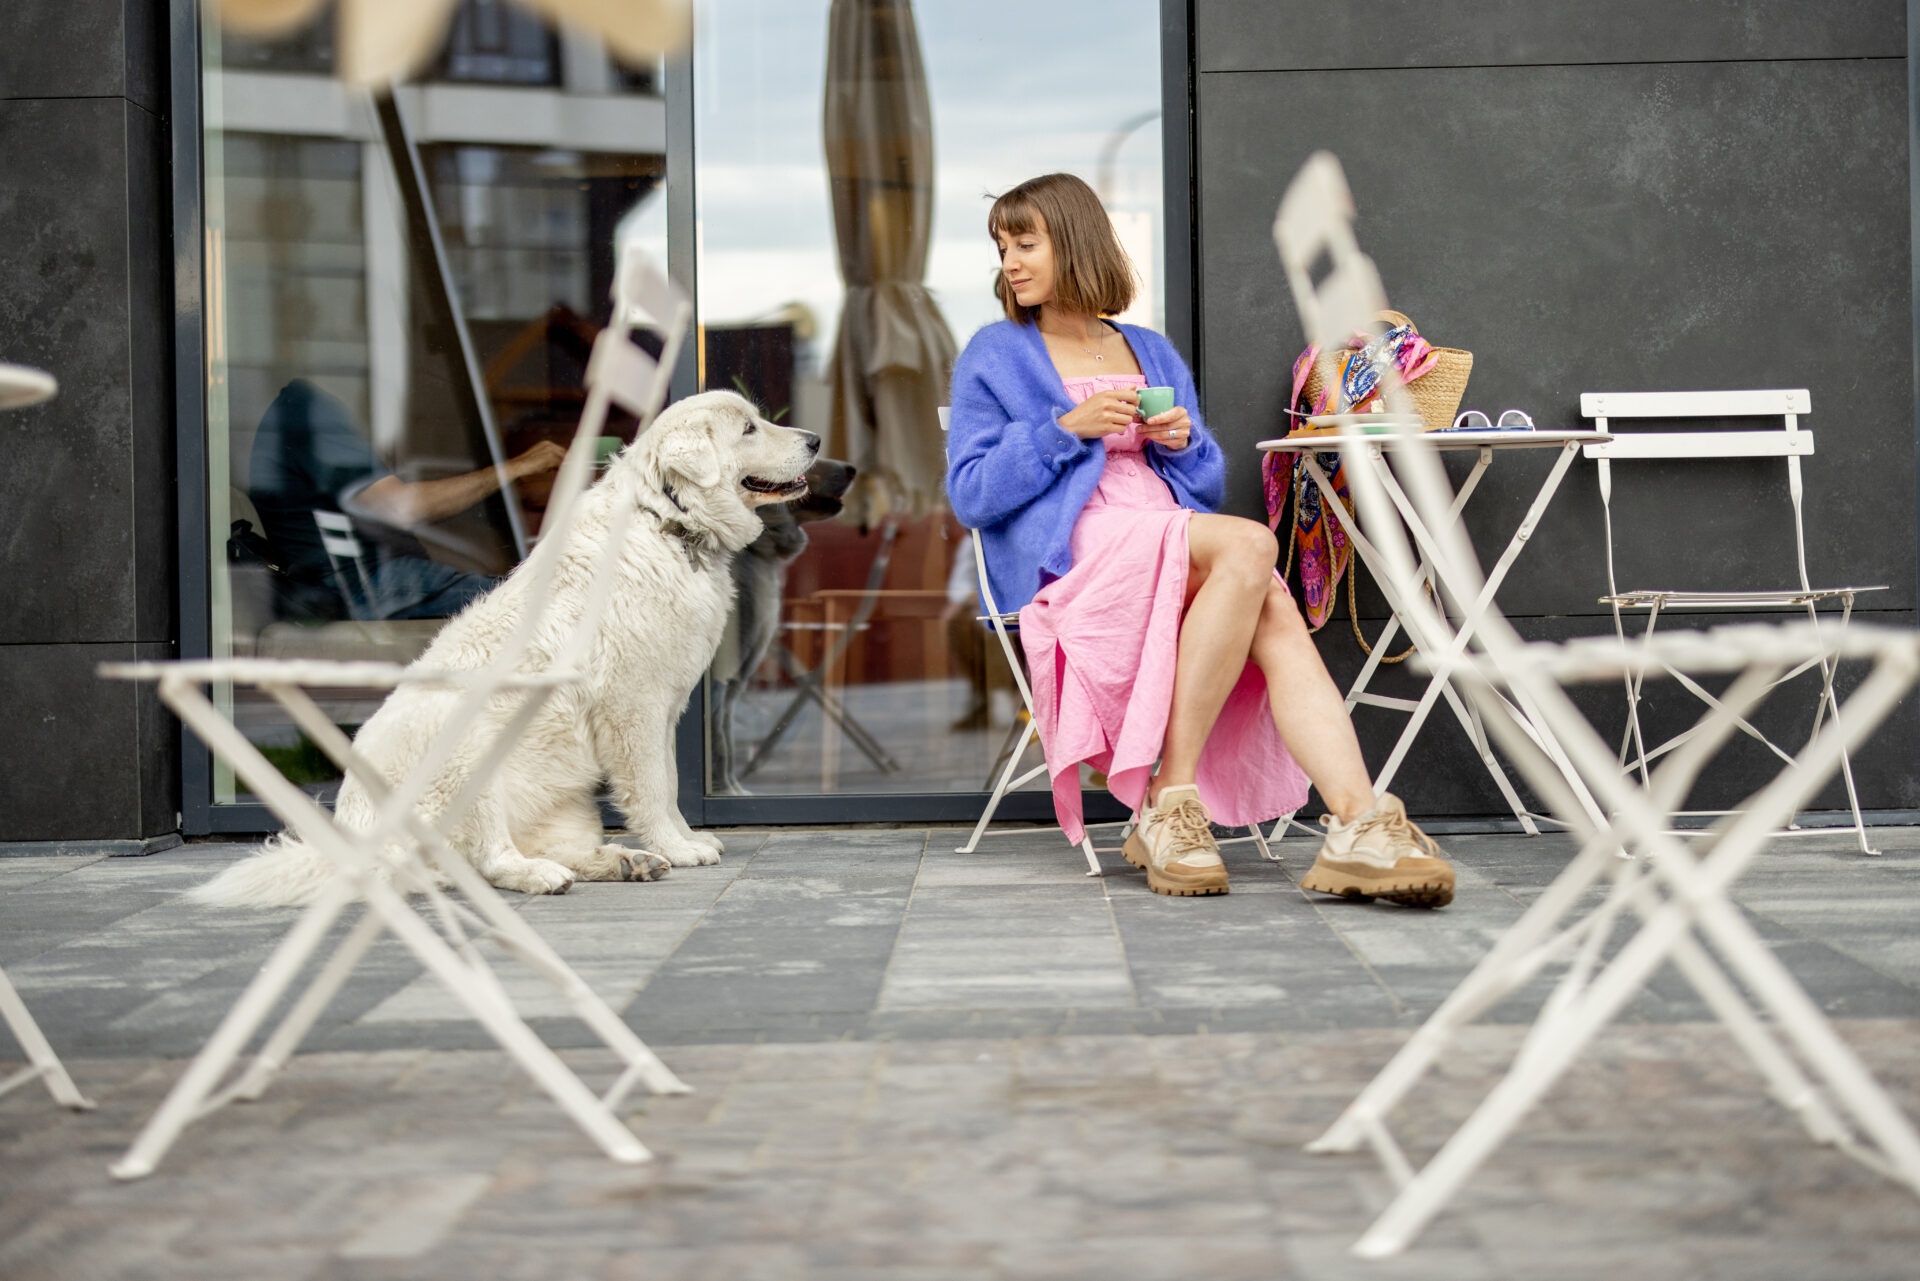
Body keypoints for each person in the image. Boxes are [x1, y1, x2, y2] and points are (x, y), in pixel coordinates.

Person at [944, 172, 1454, 905]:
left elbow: (1203, 484)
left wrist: (1179, 443)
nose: (1010, 262)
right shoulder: (995, 353)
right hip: (1076, 555)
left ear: (1077, 241)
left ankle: (1356, 820)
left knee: (1262, 591)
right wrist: (1062, 432)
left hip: (1168, 536)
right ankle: (1176, 799)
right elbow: (971, 492)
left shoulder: (1147, 348)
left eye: (1026, 243)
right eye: (1002, 247)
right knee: (1251, 551)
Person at [247, 378, 566, 622]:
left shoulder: (303, 411)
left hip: (372, 582)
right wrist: (519, 466)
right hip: (366, 589)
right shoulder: (309, 411)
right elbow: (401, 508)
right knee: (554, 604)